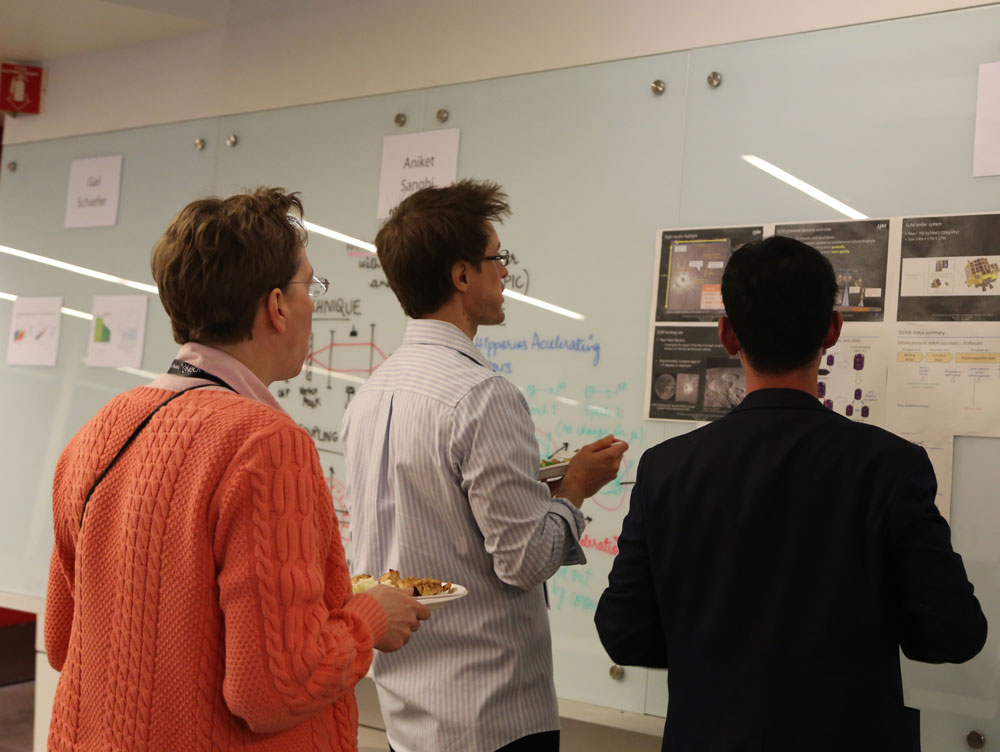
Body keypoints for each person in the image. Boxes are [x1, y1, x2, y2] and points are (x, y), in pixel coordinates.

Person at [45, 187, 429, 752]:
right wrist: (371, 618)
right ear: (276, 306)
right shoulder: (265, 446)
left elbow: (63, 642)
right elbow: (277, 687)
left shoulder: (97, 431)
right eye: (309, 287)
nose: (312, 305)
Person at [595, 235, 987, 752]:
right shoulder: (890, 467)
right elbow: (953, 633)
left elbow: (624, 632)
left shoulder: (666, 469)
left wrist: (710, 650)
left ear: (727, 335)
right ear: (833, 329)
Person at [341, 179, 628, 752]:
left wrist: (535, 484)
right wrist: (573, 489)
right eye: (497, 258)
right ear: (461, 275)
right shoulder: (482, 395)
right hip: (490, 714)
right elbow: (525, 561)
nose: (505, 273)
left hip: (406, 712)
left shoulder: (369, 394)